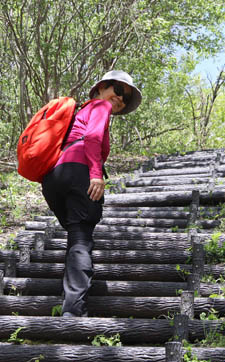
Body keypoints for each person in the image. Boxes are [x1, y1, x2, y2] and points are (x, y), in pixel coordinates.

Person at [41, 70, 142, 317]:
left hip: (54, 177)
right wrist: (96, 174)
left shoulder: (81, 110)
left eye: (125, 98)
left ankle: (69, 299)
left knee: (76, 237)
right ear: (100, 88)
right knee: (81, 239)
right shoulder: (99, 106)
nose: (120, 99)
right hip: (79, 173)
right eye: (117, 90)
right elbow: (93, 138)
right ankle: (74, 309)